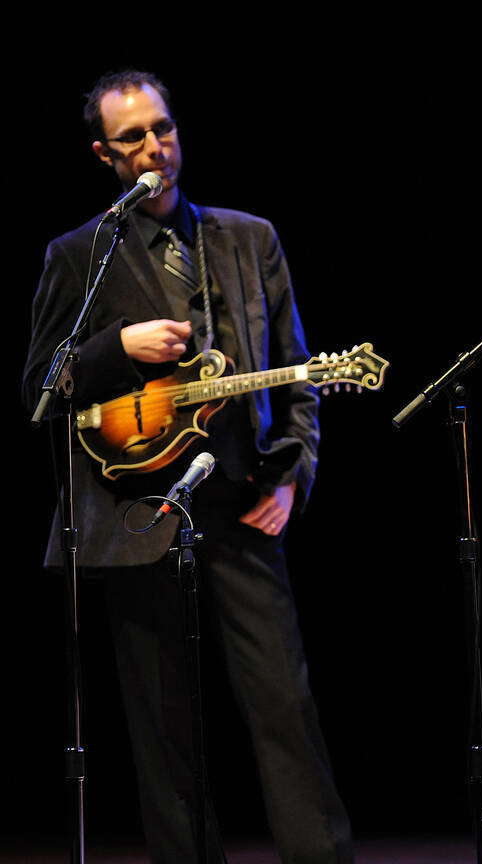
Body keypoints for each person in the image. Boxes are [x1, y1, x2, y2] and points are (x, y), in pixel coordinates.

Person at [22, 70, 352, 863]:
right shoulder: (79, 255)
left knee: (283, 703)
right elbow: (39, 386)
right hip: (136, 512)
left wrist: (291, 474)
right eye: (132, 137)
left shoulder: (248, 236)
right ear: (104, 153)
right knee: (164, 723)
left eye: (162, 129)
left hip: (241, 500)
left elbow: (299, 369)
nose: (154, 148)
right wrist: (115, 348)